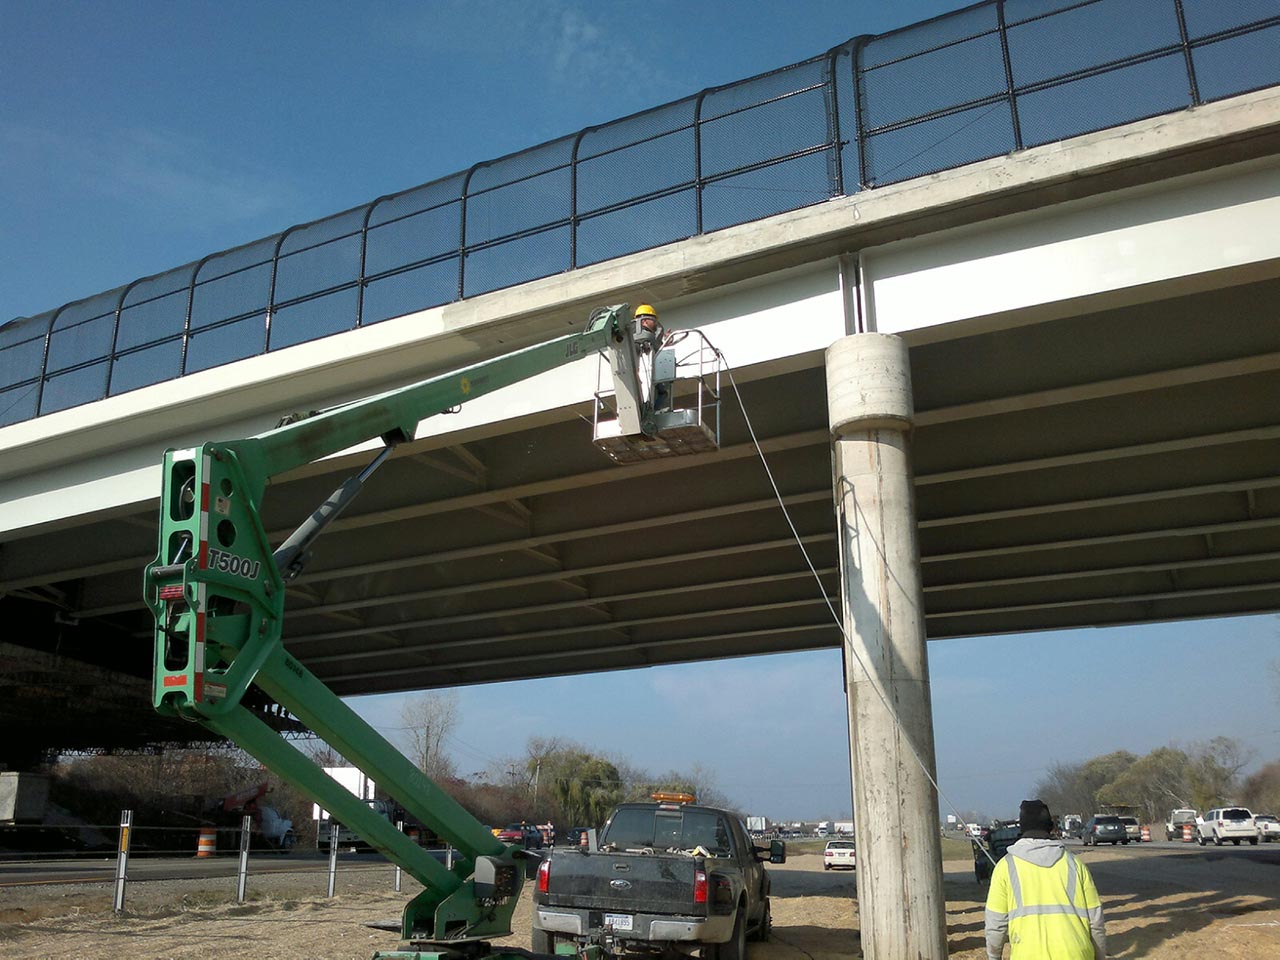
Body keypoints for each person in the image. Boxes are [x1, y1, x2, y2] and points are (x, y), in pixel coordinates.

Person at [985, 799, 1107, 959]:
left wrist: (994, 956)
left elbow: (995, 924)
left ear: (1021, 827)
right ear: (1050, 826)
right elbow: (1096, 921)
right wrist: (1100, 956)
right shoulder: (1075, 864)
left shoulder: (1005, 867)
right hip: (1076, 954)